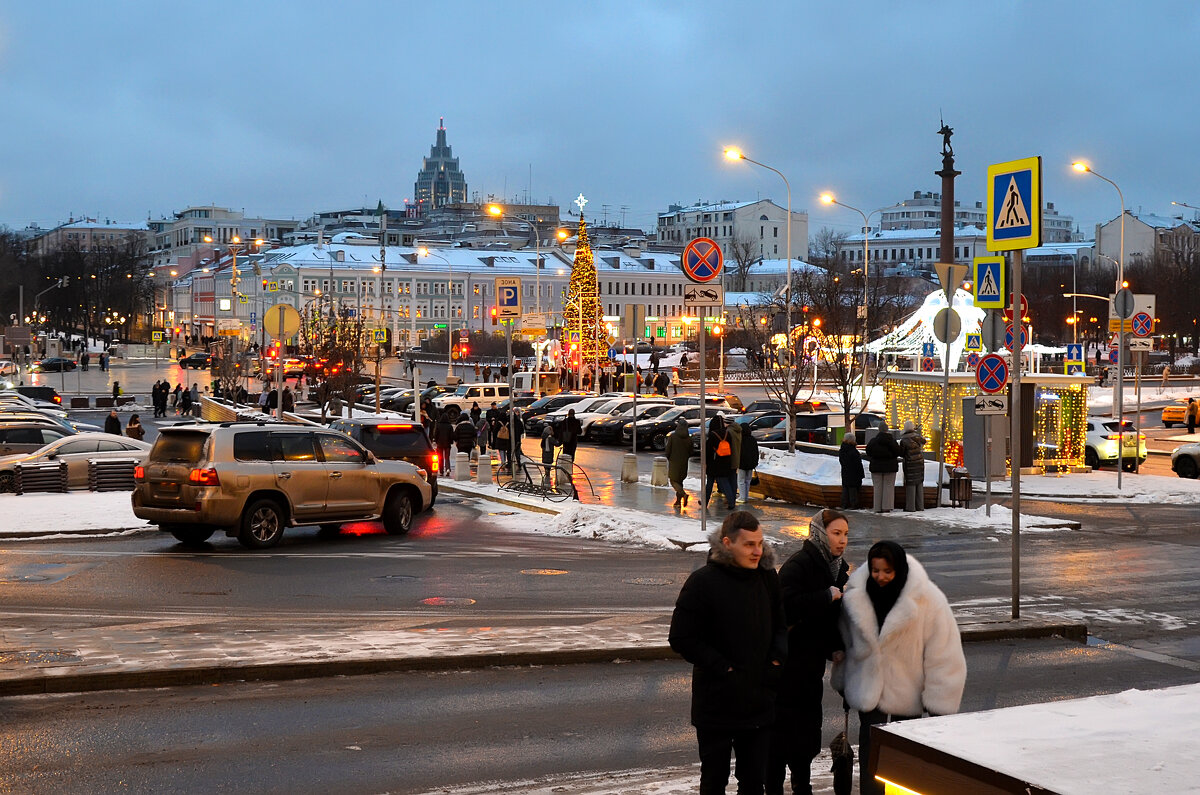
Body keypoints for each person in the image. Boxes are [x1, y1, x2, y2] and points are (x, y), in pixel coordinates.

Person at [832, 541, 966, 795]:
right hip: (869, 693)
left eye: (887, 571)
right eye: (875, 570)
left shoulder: (927, 600)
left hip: (908, 695)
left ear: (899, 570)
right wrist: (844, 679)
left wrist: (938, 699)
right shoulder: (857, 597)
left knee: (904, 765)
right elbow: (845, 641)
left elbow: (943, 651)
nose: (880, 577)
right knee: (872, 760)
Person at [669, 511, 786, 795]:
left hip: (759, 701)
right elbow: (681, 637)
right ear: (727, 543)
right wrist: (723, 668)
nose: (758, 551)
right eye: (749, 544)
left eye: (760, 543)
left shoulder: (767, 578)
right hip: (717, 703)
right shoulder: (703, 582)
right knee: (714, 781)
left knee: (753, 782)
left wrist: (775, 662)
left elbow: (781, 625)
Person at [768, 509, 850, 795]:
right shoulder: (799, 565)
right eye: (835, 533)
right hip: (785, 668)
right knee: (779, 743)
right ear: (818, 533)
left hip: (810, 669)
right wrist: (826, 595)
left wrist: (835, 648)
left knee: (804, 741)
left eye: (845, 535)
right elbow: (783, 608)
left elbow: (827, 620)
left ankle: (803, 787)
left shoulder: (837, 568)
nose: (841, 541)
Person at [864, 422, 901, 513]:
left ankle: (877, 507)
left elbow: (868, 451)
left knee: (877, 487)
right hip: (890, 467)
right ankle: (886, 507)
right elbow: (898, 452)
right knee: (888, 487)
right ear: (887, 429)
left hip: (876, 467)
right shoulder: (892, 441)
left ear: (879, 429)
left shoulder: (873, 441)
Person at [704, 415, 737, 510]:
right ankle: (731, 502)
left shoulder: (712, 434)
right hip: (725, 461)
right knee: (725, 482)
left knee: (709, 484)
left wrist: (706, 462)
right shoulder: (727, 433)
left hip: (713, 463)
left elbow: (708, 451)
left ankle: (705, 501)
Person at [898, 420, 927, 512]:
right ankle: (920, 506)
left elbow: (902, 453)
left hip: (910, 464)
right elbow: (924, 441)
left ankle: (910, 507)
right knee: (919, 484)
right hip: (919, 463)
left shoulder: (904, 440)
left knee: (911, 484)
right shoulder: (918, 437)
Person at [665, 417, 691, 508]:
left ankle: (683, 494)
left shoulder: (673, 436)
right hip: (684, 462)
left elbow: (668, 450)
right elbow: (691, 451)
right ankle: (678, 502)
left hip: (674, 461)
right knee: (680, 482)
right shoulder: (688, 438)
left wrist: (668, 457)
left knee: (673, 480)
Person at [838, 434, 864, 510]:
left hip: (845, 472)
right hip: (854, 473)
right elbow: (858, 464)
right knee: (853, 490)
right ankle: (854, 504)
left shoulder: (842, 450)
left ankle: (844, 504)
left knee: (845, 488)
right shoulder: (853, 451)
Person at [738, 423, 759, 504]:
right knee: (747, 481)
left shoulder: (740, 439)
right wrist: (755, 462)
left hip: (742, 463)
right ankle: (746, 496)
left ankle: (742, 497)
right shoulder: (753, 439)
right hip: (751, 464)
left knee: (741, 481)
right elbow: (756, 452)